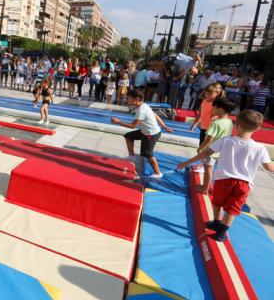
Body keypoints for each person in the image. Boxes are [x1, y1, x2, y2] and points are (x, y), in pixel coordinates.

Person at [177, 110, 274, 241]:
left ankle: (217, 222)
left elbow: (205, 153)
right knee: (232, 209)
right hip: (244, 184)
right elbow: (268, 167)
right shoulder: (259, 148)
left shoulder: (226, 141)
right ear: (258, 128)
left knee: (217, 203)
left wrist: (186, 163)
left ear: (236, 124)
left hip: (224, 179)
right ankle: (221, 232)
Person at [111, 89, 174, 177]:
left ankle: (158, 173)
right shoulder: (144, 105)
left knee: (147, 154)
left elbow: (133, 126)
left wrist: (118, 122)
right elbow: (155, 115)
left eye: (129, 98)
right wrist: (164, 126)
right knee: (128, 136)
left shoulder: (141, 110)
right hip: (145, 131)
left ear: (136, 99)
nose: (127, 100)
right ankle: (132, 157)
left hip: (151, 134)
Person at [195, 97, 237, 194]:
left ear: (220, 109)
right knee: (211, 169)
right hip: (219, 150)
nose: (212, 109)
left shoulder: (216, 123)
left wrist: (200, 148)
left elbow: (209, 139)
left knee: (208, 169)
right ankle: (207, 186)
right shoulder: (229, 122)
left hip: (210, 151)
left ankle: (205, 188)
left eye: (213, 107)